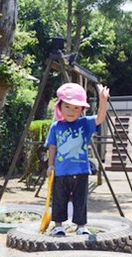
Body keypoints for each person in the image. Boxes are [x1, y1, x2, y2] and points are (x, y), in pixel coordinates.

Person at [45, 82, 109, 236]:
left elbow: (100, 117)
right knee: (59, 199)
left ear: (82, 109)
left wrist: (103, 101)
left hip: (81, 171)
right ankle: (58, 226)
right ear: (60, 107)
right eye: (67, 106)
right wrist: (50, 165)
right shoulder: (56, 126)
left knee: (80, 200)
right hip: (61, 171)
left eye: (76, 107)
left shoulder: (85, 124)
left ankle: (81, 226)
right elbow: (52, 147)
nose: (71, 111)